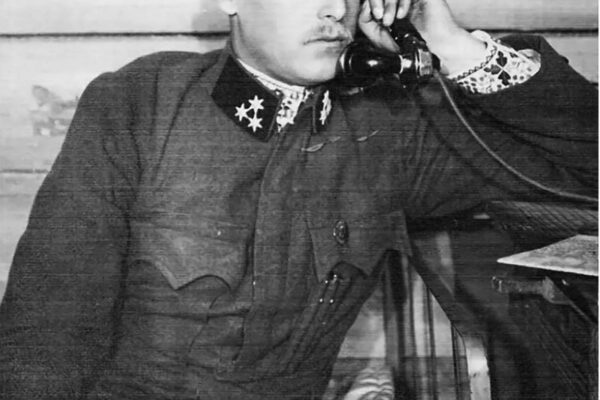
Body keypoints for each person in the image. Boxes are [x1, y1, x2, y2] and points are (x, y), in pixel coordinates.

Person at [0, 0, 596, 398]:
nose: (334, 8)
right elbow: (48, 333)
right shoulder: (141, 102)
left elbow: (583, 168)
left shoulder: (388, 130)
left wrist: (452, 43)